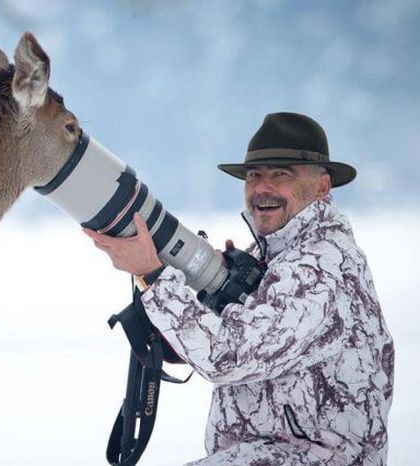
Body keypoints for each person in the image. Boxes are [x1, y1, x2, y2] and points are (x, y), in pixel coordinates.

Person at [84, 112, 394, 465]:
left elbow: (228, 356)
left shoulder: (321, 266)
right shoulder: (278, 258)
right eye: (253, 175)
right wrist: (208, 293)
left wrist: (154, 276)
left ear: (322, 187)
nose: (262, 187)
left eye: (281, 175)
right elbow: (245, 339)